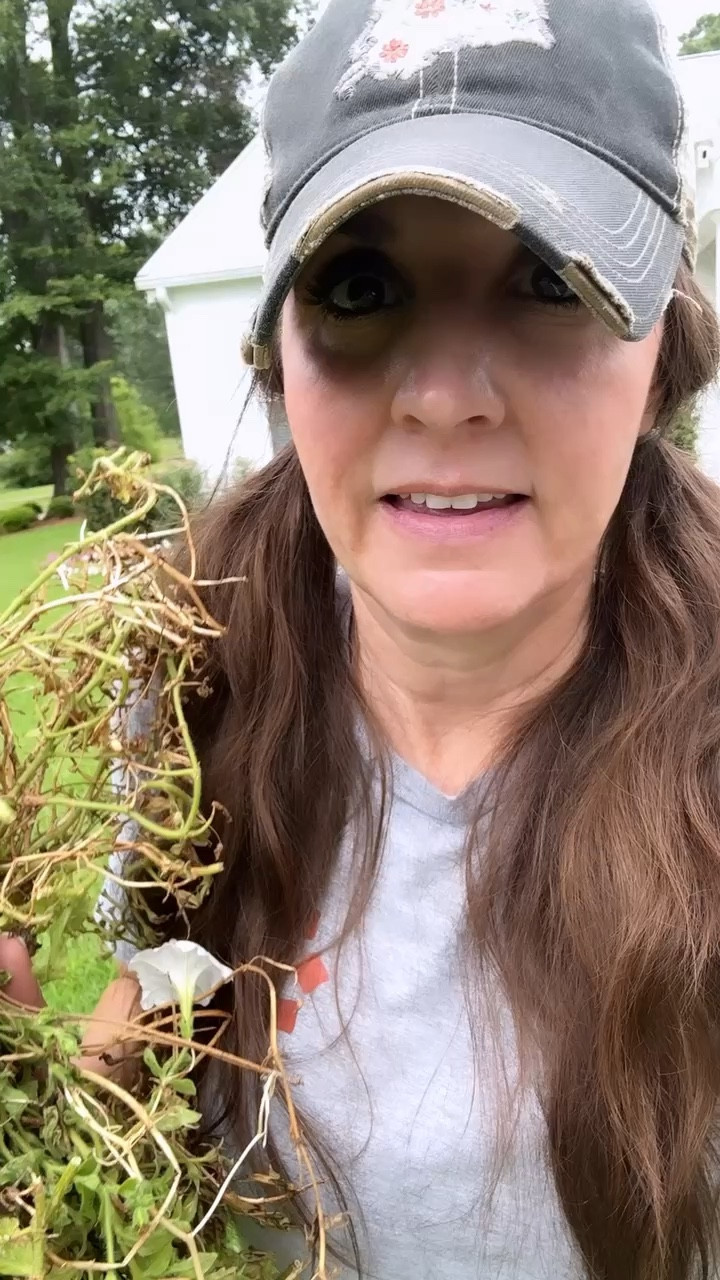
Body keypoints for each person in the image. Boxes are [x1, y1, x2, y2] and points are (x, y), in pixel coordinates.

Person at [4, 0, 720, 1276]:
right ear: (279, 351)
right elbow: (153, 1008)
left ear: (663, 344)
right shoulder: (187, 663)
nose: (446, 394)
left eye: (548, 279)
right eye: (361, 285)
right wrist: (52, 1114)